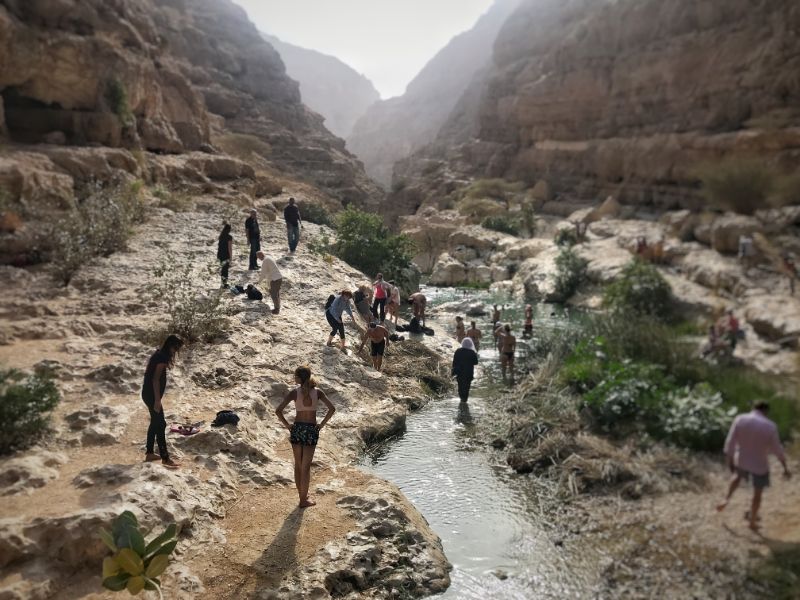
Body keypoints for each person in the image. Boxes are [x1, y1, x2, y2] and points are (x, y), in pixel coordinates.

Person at [716, 401, 791, 530]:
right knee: (757, 494)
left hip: (742, 459)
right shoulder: (770, 426)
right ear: (766, 411)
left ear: (753, 408)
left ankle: (726, 499)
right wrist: (784, 466)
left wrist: (730, 461)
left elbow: (731, 441)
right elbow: (777, 449)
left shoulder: (740, 419)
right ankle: (752, 521)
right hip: (759, 464)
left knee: (736, 477)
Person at [275, 366, 336, 508]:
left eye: (295, 376)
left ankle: (302, 496)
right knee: (306, 467)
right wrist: (321, 425)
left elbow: (278, 411)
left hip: (297, 428)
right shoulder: (318, 392)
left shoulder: (294, 393)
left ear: (300, 378)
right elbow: (332, 409)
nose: (294, 378)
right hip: (311, 429)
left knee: (298, 464)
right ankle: (303, 499)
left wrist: (288, 426)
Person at [141, 335, 183, 469]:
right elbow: (155, 380)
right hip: (151, 395)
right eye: (176, 348)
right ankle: (165, 458)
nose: (175, 352)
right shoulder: (162, 359)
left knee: (155, 422)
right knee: (161, 423)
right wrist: (157, 400)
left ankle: (149, 453)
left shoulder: (159, 354)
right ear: (171, 346)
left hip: (148, 394)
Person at [452, 338, 479, 403]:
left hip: (459, 372)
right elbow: (476, 362)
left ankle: (461, 398)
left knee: (460, 385)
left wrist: (453, 371)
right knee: (467, 386)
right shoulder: (472, 352)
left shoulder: (458, 351)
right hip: (468, 372)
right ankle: (465, 400)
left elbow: (454, 362)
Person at [217, 223, 233, 288]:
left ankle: (223, 283)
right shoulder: (229, 237)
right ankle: (224, 284)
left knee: (223, 269)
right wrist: (231, 257)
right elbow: (229, 247)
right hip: (226, 255)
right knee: (225, 270)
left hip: (220, 254)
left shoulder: (221, 236)